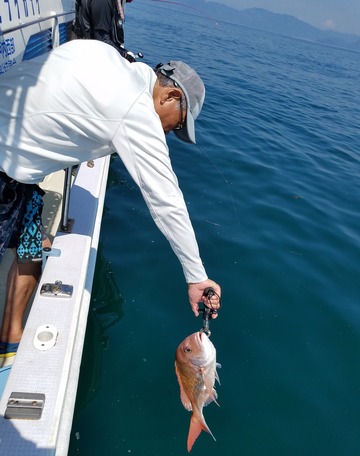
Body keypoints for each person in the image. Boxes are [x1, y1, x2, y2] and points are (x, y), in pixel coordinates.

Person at [0, 40, 221, 358]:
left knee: (31, 250)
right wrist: (196, 276)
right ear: (171, 95)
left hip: (23, 174)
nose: (171, 132)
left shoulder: (103, 54)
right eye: (178, 123)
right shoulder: (134, 107)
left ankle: (9, 338)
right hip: (5, 168)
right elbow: (165, 199)